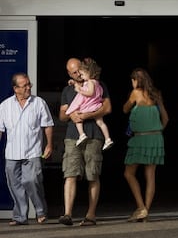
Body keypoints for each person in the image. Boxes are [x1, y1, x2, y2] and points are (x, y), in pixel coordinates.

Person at [58, 57, 112, 226]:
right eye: (73, 72)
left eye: (78, 70)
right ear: (69, 73)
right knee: (70, 173)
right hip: (72, 137)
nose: (77, 74)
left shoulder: (98, 84)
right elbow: (61, 116)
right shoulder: (67, 90)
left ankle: (91, 215)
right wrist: (70, 115)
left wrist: (87, 115)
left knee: (93, 175)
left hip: (94, 135)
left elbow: (108, 108)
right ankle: (67, 214)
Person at [0, 73, 54, 226]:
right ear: (15, 88)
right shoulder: (5, 106)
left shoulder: (39, 103)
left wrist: (49, 144)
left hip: (32, 151)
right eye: (25, 86)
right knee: (15, 185)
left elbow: (48, 124)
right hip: (12, 153)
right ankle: (20, 217)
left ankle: (41, 211)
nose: (29, 87)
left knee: (32, 181)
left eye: (29, 84)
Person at [123, 67, 169, 222]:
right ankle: (146, 211)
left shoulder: (135, 93)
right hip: (156, 138)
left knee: (129, 173)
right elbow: (166, 119)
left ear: (136, 80)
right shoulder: (156, 94)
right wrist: (156, 130)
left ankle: (141, 207)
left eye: (133, 80)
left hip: (140, 138)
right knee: (150, 176)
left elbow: (125, 109)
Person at [65, 58, 113, 150]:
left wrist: (80, 91)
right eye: (76, 73)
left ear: (89, 73)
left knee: (78, 117)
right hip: (96, 105)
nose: (80, 76)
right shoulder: (97, 83)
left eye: (82, 74)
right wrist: (74, 83)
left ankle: (82, 134)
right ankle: (108, 139)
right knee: (100, 122)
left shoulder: (90, 82)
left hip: (90, 106)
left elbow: (90, 92)